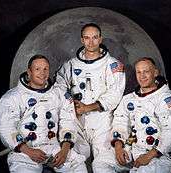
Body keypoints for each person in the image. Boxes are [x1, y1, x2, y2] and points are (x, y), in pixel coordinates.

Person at [0, 55, 87, 173]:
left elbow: (68, 122)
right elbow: (6, 128)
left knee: (78, 166)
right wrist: (28, 151)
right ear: (29, 72)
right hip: (25, 151)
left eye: (45, 69)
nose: (42, 73)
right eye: (37, 69)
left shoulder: (59, 93)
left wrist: (64, 151)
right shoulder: (12, 97)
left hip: (55, 148)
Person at [54, 23, 126, 172]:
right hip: (77, 120)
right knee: (73, 162)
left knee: (103, 163)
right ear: (82, 40)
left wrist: (88, 107)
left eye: (94, 38)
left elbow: (115, 94)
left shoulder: (113, 65)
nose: (91, 42)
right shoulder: (70, 65)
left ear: (100, 39)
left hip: (102, 121)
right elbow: (59, 87)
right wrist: (71, 103)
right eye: (87, 38)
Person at [111, 57, 171, 173]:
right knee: (102, 164)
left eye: (146, 71)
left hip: (158, 156)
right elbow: (119, 122)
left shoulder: (168, 99)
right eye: (139, 72)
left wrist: (149, 155)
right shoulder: (128, 99)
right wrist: (118, 146)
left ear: (155, 73)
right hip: (132, 150)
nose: (142, 76)